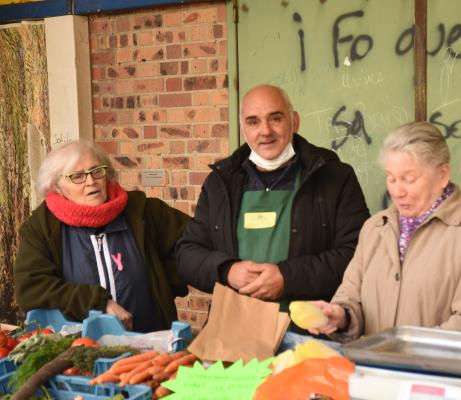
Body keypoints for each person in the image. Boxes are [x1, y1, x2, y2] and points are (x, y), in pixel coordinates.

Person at [176, 84, 370, 327]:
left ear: (294, 121)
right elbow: (186, 255)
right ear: (243, 129)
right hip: (233, 333)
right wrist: (227, 270)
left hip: (310, 331)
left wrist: (287, 278)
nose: (265, 131)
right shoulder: (220, 183)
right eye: (253, 122)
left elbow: (357, 255)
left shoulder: (334, 178)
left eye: (275, 118)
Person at [309, 121, 461, 341]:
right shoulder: (374, 228)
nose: (397, 190)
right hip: (375, 371)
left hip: (438, 374)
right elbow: (350, 296)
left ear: (442, 175)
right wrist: (339, 315)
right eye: (391, 178)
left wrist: (400, 351)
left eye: (409, 179)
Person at [14, 141, 190, 332]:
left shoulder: (144, 211)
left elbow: (193, 240)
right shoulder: (43, 227)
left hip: (150, 341)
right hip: (80, 349)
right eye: (78, 176)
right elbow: (31, 289)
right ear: (56, 186)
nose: (91, 181)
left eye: (97, 171)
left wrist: (163, 284)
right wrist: (97, 302)